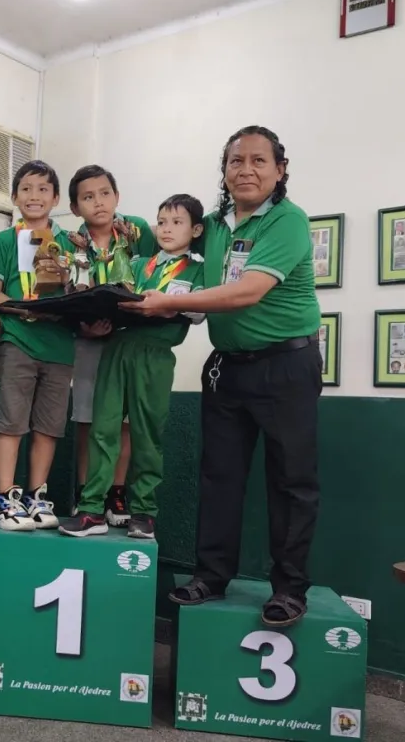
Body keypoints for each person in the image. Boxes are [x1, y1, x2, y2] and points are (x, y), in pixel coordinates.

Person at [122, 126, 321, 627]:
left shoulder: (288, 221)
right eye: (236, 161)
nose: (246, 170)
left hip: (287, 366)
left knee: (291, 482)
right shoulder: (211, 225)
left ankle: (291, 589)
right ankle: (210, 577)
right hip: (227, 368)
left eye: (259, 161)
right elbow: (154, 242)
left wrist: (169, 301)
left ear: (280, 170)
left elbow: (245, 292)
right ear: (224, 170)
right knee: (219, 476)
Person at [61, 195, 205, 539]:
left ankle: (144, 511)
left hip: (155, 355)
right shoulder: (138, 264)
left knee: (147, 434)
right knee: (103, 428)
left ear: (196, 229)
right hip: (116, 348)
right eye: (162, 222)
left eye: (177, 222)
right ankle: (92, 508)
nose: (167, 229)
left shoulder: (199, 268)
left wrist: (170, 305)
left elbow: (199, 312)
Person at [0, 160, 75, 530]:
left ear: (55, 198)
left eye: (42, 189)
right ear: (14, 197)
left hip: (59, 346)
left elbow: (76, 290)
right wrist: (25, 310)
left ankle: (37, 496)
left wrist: (64, 303)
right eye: (26, 189)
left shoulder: (70, 243)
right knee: (11, 423)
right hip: (17, 340)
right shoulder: (5, 240)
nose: (34, 196)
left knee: (49, 427)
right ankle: (6, 499)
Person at [65, 164, 157, 525]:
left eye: (105, 194)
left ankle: (117, 493)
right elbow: (61, 295)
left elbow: (160, 268)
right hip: (89, 341)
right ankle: (87, 492)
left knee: (124, 420)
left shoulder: (138, 233)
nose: (98, 203)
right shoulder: (68, 243)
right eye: (87, 197)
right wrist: (83, 327)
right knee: (87, 418)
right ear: (75, 207)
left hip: (131, 338)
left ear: (117, 196)